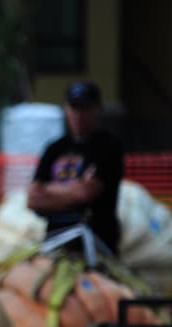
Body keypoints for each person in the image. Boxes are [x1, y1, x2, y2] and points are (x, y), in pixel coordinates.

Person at [28, 80, 124, 256]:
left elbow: (85, 193)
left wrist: (49, 191)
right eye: (74, 108)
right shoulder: (54, 148)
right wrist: (74, 188)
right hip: (56, 242)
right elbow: (33, 198)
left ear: (98, 109)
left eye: (85, 108)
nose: (79, 115)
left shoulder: (109, 147)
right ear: (66, 110)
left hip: (97, 245)